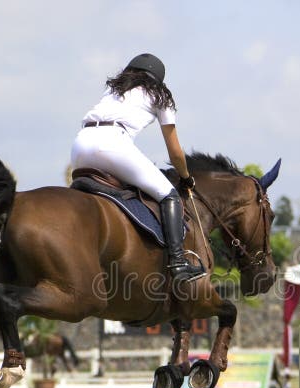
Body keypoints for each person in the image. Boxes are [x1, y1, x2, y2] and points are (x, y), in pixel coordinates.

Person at [71, 53, 205, 283]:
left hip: (80, 145)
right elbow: (175, 153)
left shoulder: (114, 89)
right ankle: (178, 263)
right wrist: (185, 177)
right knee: (168, 195)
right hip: (112, 144)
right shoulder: (160, 95)